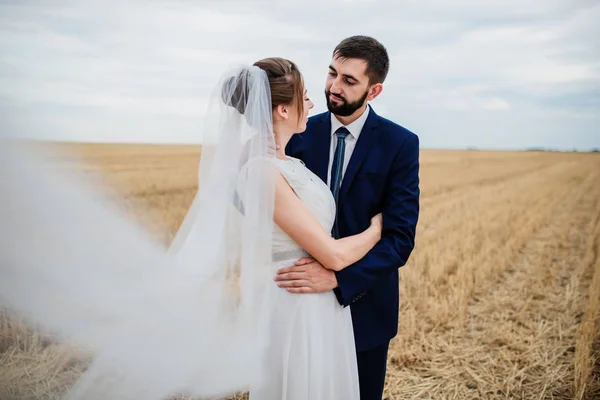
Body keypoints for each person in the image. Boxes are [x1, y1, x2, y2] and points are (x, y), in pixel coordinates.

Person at [0, 57, 381, 400]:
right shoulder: (263, 172)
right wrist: (377, 229)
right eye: (306, 96)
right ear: (282, 109)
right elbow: (330, 254)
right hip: (295, 302)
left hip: (318, 302)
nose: (314, 103)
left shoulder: (280, 163)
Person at [279, 35, 421, 400]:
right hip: (297, 302)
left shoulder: (400, 144)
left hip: (364, 310)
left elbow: (400, 239)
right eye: (332, 73)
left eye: (349, 80)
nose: (334, 87)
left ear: (374, 91)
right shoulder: (297, 130)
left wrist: (338, 277)